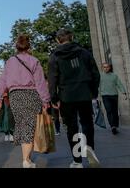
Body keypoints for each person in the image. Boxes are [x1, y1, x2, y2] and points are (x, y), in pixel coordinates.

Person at [0, 35, 51, 168]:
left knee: (23, 124)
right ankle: (26, 160)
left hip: (14, 95)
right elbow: (40, 82)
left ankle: (28, 159)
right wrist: (46, 100)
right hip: (31, 95)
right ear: (29, 47)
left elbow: (3, 79)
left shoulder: (10, 61)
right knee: (29, 127)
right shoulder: (34, 61)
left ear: (17, 47)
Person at [48, 28, 101, 169]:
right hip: (84, 93)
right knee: (87, 123)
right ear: (71, 37)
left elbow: (52, 79)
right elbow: (95, 74)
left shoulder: (55, 56)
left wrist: (54, 98)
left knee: (71, 128)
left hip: (66, 95)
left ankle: (77, 161)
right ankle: (89, 148)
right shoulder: (84, 53)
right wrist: (93, 92)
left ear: (58, 40)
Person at [100, 62, 127, 135]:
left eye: (107, 67)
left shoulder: (114, 75)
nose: (106, 68)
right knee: (109, 110)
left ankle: (115, 125)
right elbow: (98, 86)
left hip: (114, 95)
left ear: (109, 68)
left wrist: (123, 92)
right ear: (102, 68)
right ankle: (112, 126)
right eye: (104, 67)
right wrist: (96, 96)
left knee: (114, 111)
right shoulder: (100, 76)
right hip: (105, 95)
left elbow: (119, 84)